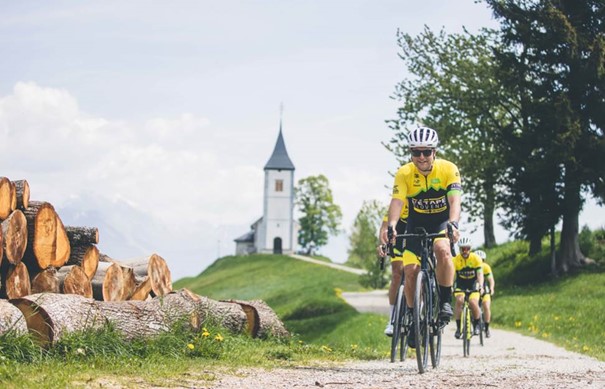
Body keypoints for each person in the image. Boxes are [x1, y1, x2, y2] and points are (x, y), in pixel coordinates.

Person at [384, 126, 462, 348]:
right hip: (416, 224)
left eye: (426, 152)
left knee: (443, 250)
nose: (421, 157)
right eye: (416, 152)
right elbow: (397, 201)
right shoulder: (404, 173)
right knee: (409, 272)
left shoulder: (448, 169)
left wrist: (453, 224)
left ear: (434, 152)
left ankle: (445, 300)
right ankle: (413, 317)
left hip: (441, 221)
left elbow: (455, 201)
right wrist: (391, 226)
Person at [377, 203, 408, 336]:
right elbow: (384, 227)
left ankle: (418, 310)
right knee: (397, 273)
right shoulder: (396, 204)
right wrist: (383, 245)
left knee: (418, 273)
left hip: (416, 238)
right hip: (398, 240)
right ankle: (392, 318)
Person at [453, 237, 484, 338]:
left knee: (473, 302)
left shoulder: (476, 258)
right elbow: (452, 275)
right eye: (463, 249)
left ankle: (476, 325)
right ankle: (458, 328)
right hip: (460, 283)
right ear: (460, 249)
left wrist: (481, 286)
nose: (465, 251)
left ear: (470, 249)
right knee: (459, 301)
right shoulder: (456, 260)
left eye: (467, 248)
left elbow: (480, 274)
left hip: (473, 283)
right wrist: (450, 286)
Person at [475, 249, 495, 338]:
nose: (480, 262)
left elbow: (491, 279)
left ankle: (486, 328)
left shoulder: (486, 267)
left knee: (486, 306)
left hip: (484, 288)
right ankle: (475, 322)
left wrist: (491, 288)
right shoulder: (472, 266)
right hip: (474, 289)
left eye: (482, 260)